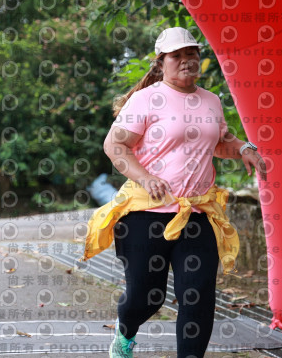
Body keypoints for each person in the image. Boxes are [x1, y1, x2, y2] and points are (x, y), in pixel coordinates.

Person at [83, 27, 266, 358]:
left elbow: (220, 142)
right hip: (145, 214)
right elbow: (115, 145)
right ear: (161, 63)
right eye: (176, 55)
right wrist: (145, 177)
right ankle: (125, 334)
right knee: (147, 297)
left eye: (191, 53)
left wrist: (244, 148)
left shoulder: (210, 100)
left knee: (198, 297)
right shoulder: (146, 99)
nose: (185, 60)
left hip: (196, 214)